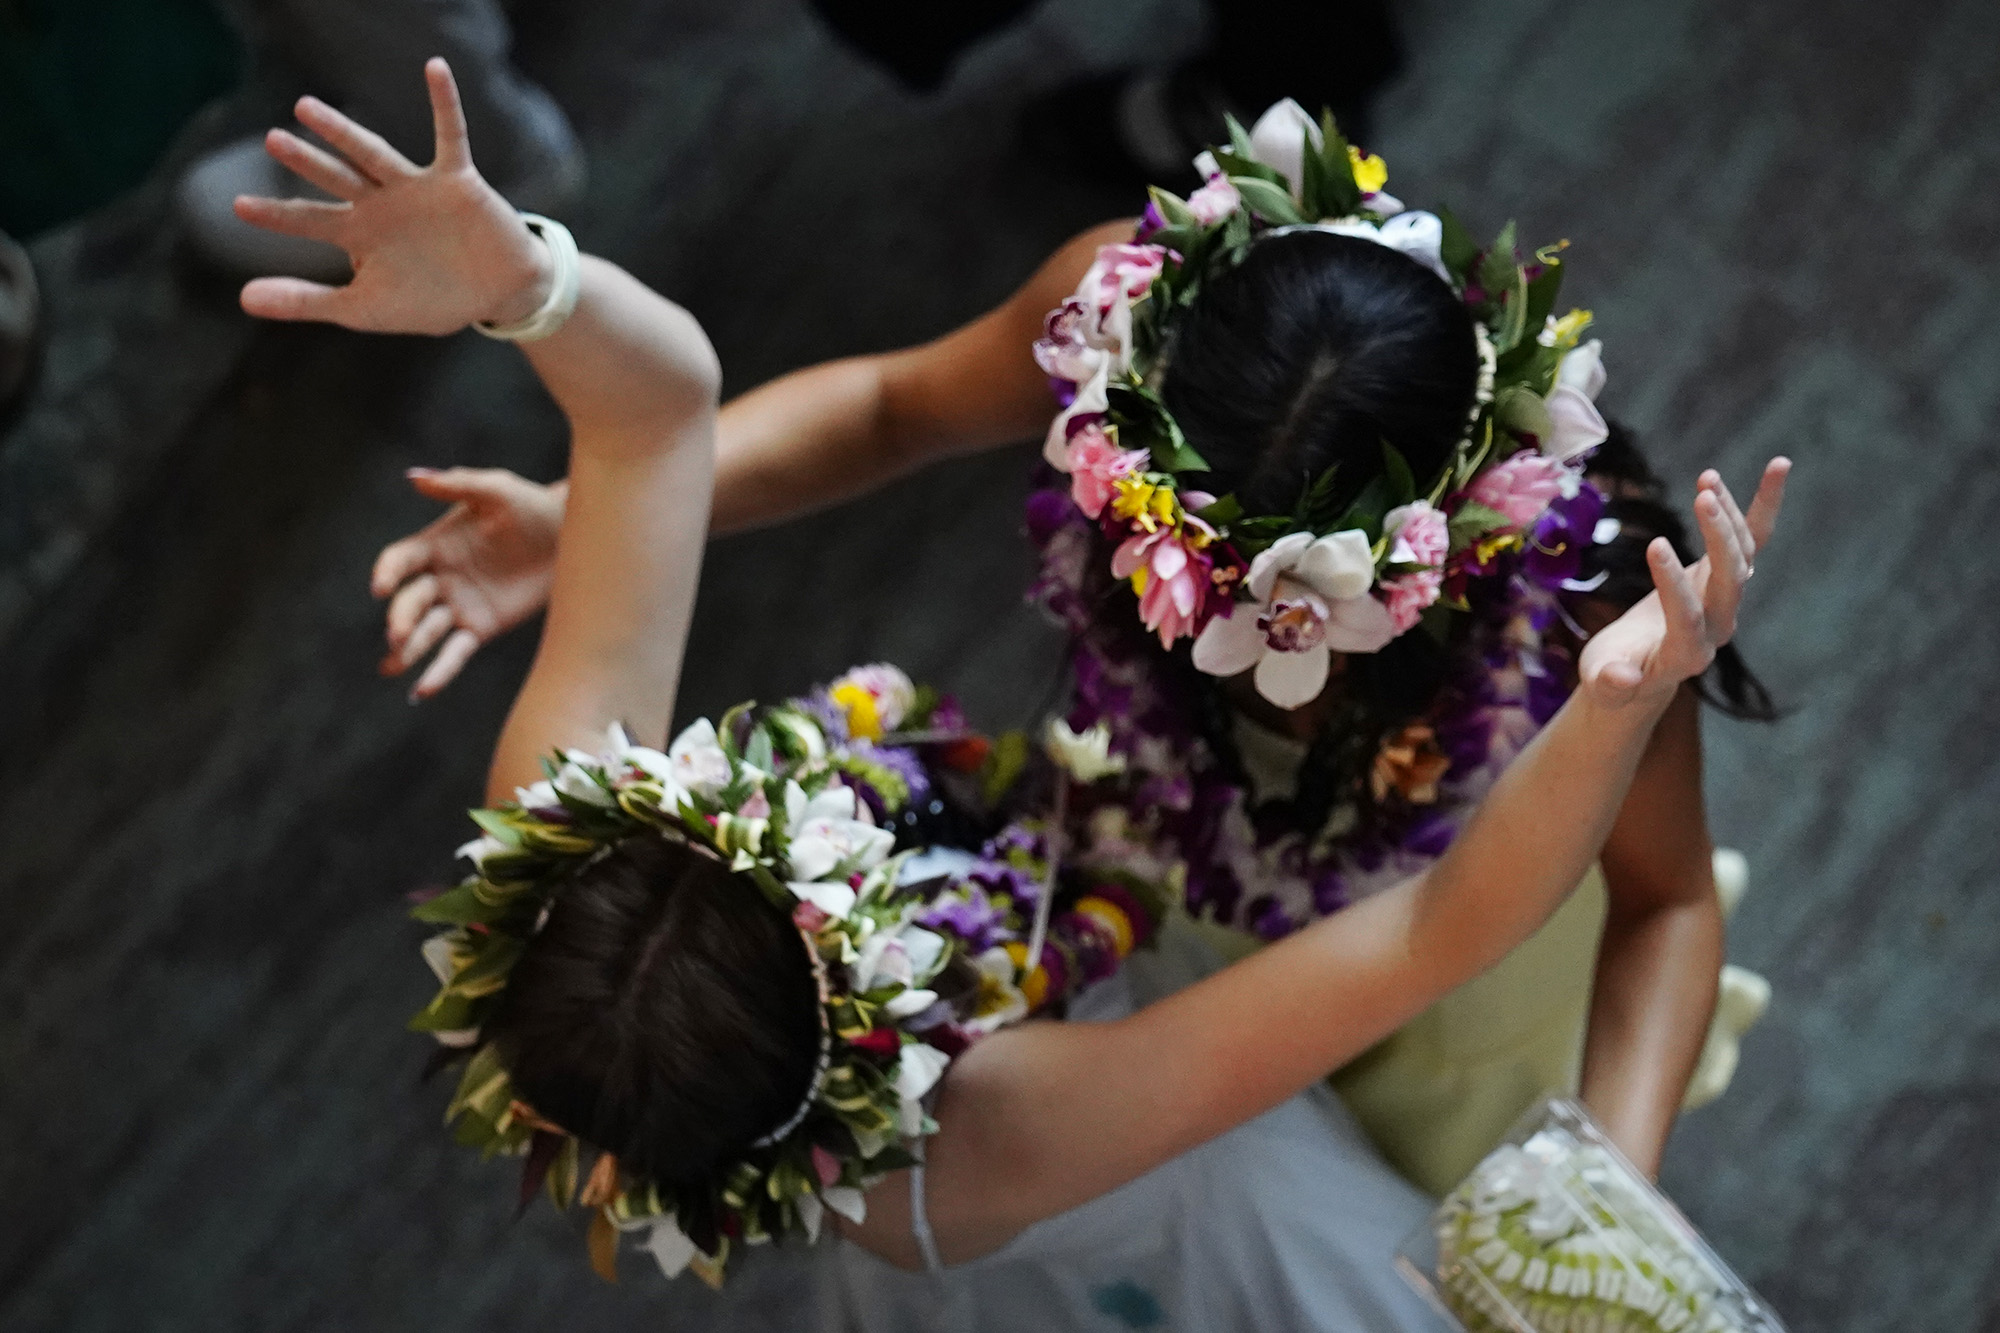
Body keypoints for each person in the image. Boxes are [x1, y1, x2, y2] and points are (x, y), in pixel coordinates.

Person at [234, 62, 1788, 1326]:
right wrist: (1612, 709)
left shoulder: (569, 834)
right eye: (828, 816)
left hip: (1370, 1013)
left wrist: (536, 303)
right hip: (1221, 1018)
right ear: (899, 1008)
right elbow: (1439, 930)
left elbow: (667, 423)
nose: (839, 778)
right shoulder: (996, 1128)